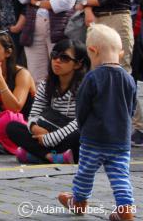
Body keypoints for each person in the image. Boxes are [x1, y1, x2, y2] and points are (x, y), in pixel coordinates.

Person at [57, 24, 137, 221]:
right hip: (121, 140)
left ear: (92, 51)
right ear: (120, 52)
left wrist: (83, 128)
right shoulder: (129, 79)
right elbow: (132, 108)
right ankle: (125, 207)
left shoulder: (92, 77)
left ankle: (79, 201)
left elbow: (82, 108)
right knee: (120, 175)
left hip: (94, 139)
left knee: (85, 173)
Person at [6, 39, 87, 165]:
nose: (57, 61)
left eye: (64, 58)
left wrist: (50, 138)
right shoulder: (46, 85)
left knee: (81, 134)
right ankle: (51, 156)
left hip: (69, 135)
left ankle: (37, 155)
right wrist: (34, 128)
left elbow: (80, 121)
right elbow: (33, 115)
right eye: (54, 55)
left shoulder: (84, 87)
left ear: (78, 64)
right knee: (12, 127)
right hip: (46, 133)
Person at [0, 32, 36, 119]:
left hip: (27, 124)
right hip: (0, 123)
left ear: (8, 53)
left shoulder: (22, 74)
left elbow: (15, 109)